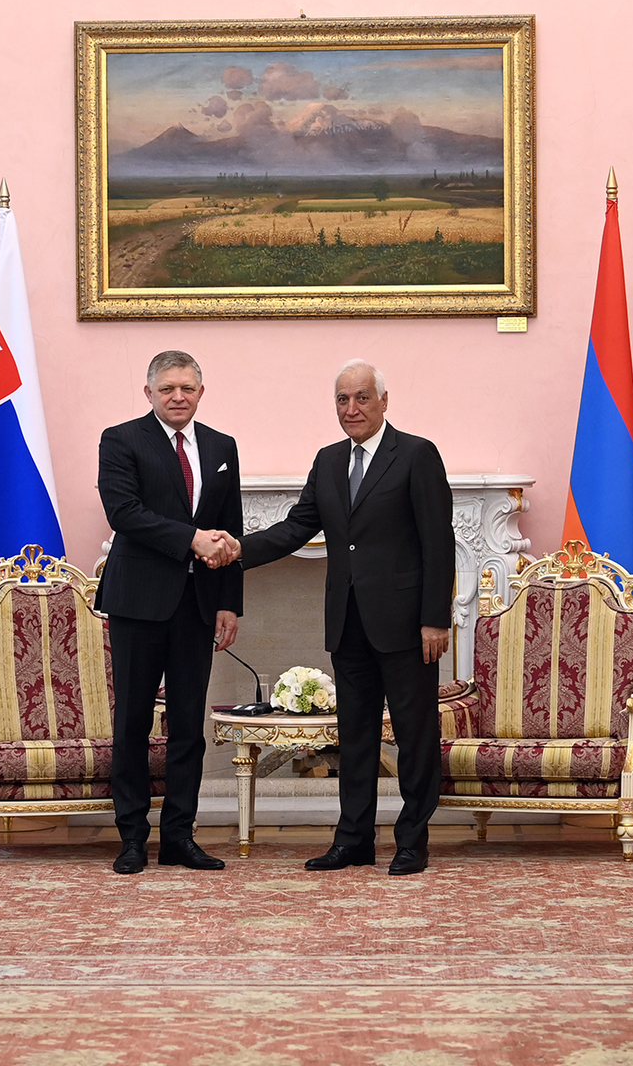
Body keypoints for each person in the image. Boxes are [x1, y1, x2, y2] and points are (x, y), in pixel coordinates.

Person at [237, 360, 454, 876]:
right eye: (342, 399)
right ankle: (353, 839)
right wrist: (236, 551)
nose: (351, 408)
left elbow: (438, 541)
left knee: (414, 736)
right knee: (354, 737)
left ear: (384, 400)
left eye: (361, 397)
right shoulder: (328, 460)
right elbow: (296, 528)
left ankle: (412, 841)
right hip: (347, 622)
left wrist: (435, 619)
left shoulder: (416, 454)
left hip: (407, 625)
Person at [95, 350, 244, 875]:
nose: (178, 397)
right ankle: (132, 838)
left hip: (197, 606)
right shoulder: (120, 440)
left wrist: (228, 602)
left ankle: (180, 836)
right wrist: (191, 539)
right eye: (167, 389)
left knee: (187, 727)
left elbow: (230, 527)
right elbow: (124, 512)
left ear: (201, 392)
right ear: (149, 394)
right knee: (132, 723)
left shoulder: (222, 446)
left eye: (187, 388)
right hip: (138, 603)